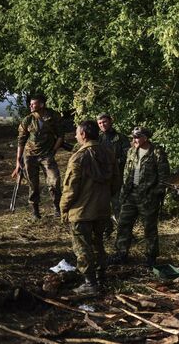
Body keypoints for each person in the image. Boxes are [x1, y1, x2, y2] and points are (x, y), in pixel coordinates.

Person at [60, 120, 119, 295]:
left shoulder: (79, 157)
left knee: (82, 247)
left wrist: (64, 208)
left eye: (77, 133)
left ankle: (90, 283)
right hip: (102, 209)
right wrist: (105, 198)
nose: (76, 136)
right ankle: (101, 277)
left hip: (81, 211)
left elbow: (70, 188)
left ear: (84, 134)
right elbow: (117, 182)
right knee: (98, 243)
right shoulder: (109, 153)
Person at [110, 127, 170, 267]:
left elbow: (164, 176)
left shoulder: (156, 153)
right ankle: (121, 254)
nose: (134, 140)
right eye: (133, 137)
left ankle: (151, 257)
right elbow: (127, 172)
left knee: (149, 228)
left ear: (146, 137)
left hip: (148, 197)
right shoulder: (131, 151)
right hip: (131, 194)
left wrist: (155, 193)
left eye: (137, 137)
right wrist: (124, 192)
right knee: (123, 224)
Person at [12, 94, 64, 220]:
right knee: (33, 184)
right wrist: (18, 162)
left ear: (41, 104)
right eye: (30, 103)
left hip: (47, 155)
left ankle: (57, 208)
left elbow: (61, 136)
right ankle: (35, 211)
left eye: (33, 104)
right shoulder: (28, 120)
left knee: (55, 181)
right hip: (30, 156)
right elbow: (21, 141)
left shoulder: (53, 116)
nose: (30, 106)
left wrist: (53, 151)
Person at [97, 113, 130, 236]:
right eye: (100, 123)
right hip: (102, 178)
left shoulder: (121, 138)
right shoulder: (98, 139)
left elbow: (127, 156)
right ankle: (107, 229)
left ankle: (125, 232)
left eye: (104, 122)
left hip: (117, 177)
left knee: (118, 206)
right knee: (103, 206)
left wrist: (112, 163)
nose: (102, 125)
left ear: (111, 121)